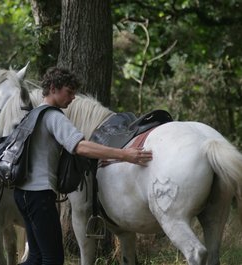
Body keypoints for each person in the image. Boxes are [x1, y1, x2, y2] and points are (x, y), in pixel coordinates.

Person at [13, 67, 153, 265]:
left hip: (22, 194)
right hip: (40, 196)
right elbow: (80, 146)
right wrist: (124, 154)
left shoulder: (31, 115)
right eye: (69, 93)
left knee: (35, 257)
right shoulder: (54, 117)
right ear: (53, 88)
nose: (72, 99)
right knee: (52, 259)